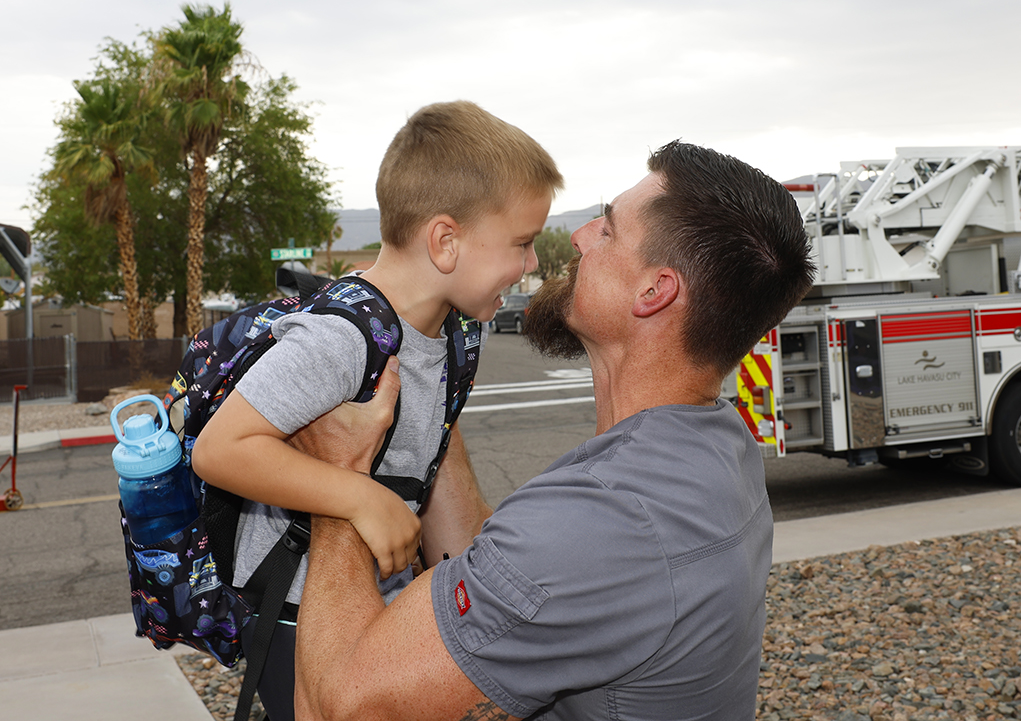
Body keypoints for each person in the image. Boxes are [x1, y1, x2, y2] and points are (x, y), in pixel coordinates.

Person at [292, 140, 816, 721]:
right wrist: (427, 388)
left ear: (655, 291)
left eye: (609, 231)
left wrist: (338, 479)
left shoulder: (609, 517)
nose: (580, 236)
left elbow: (338, 705)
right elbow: (502, 576)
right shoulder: (715, 446)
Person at [190, 100, 563, 721]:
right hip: (300, 611)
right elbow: (221, 449)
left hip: (368, 591)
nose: (531, 265)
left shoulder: (447, 332)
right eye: (522, 244)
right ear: (446, 241)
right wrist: (362, 499)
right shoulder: (340, 339)